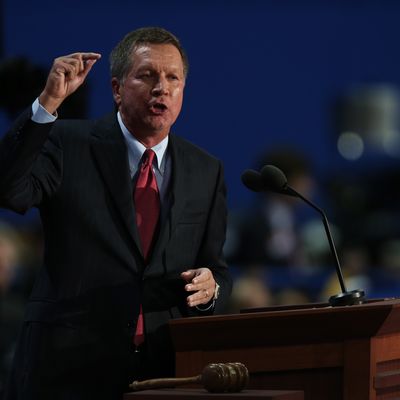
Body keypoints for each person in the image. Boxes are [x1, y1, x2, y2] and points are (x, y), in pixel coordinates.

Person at [0, 27, 232, 400]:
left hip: (162, 371)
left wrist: (211, 288)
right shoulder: (66, 142)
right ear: (117, 89)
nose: (162, 88)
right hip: (68, 368)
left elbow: (216, 269)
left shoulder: (206, 170)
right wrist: (46, 104)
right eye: (147, 75)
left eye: (173, 78)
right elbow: (10, 191)